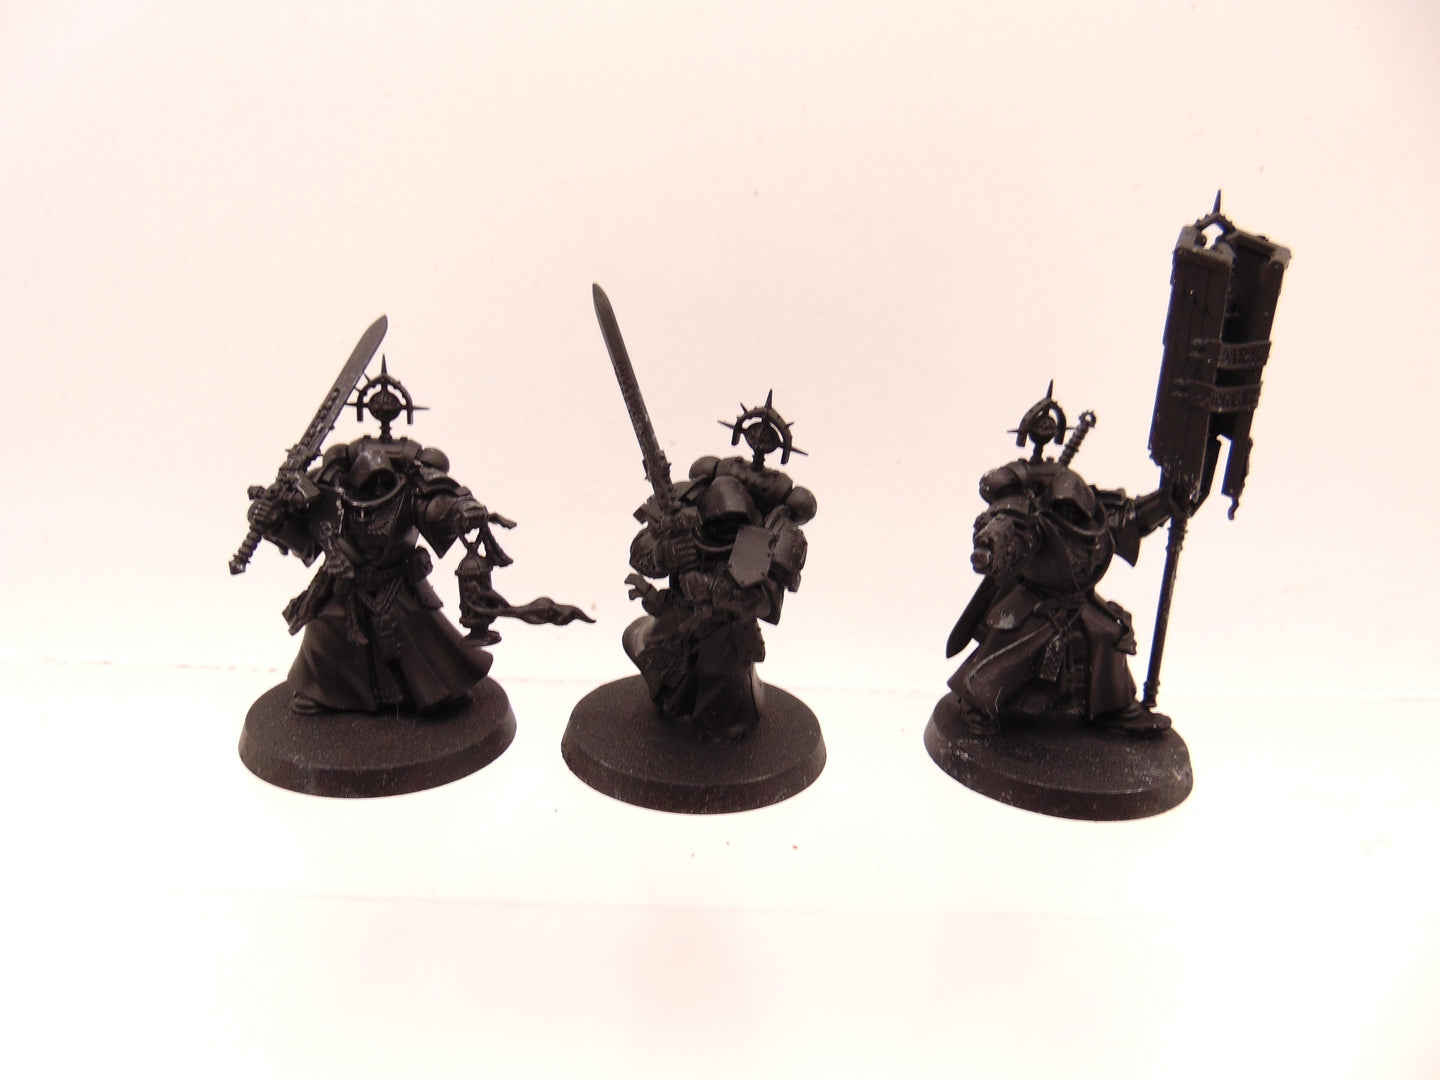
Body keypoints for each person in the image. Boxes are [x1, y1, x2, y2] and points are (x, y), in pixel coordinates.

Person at [944, 388, 1173, 736]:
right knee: (1014, 645)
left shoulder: (1093, 516)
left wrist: (1167, 503)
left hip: (1077, 602)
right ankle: (977, 703)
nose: (1071, 511)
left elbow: (1132, 519)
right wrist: (1025, 475)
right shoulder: (1030, 517)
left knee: (1110, 632)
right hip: (1035, 603)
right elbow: (998, 515)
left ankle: (1117, 710)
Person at [623, 393, 816, 741]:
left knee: (721, 714)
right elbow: (641, 551)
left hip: (726, 638)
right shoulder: (689, 502)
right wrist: (668, 553)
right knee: (660, 672)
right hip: (677, 621)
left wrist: (711, 589)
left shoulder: (775, 531)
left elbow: (766, 599)